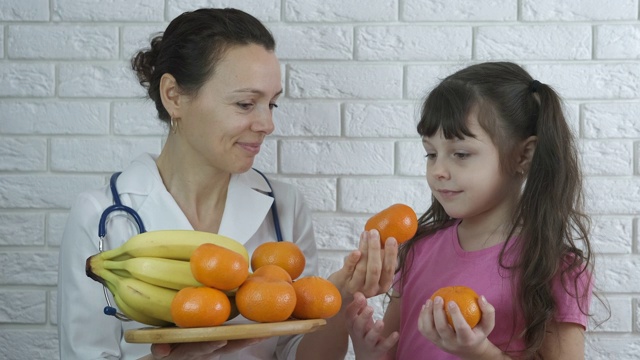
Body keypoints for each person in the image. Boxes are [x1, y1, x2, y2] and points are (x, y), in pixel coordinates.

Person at [57, 8, 398, 360]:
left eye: (272, 103)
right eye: (246, 103)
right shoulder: (101, 216)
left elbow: (300, 353)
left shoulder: (284, 206)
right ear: (173, 95)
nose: (267, 123)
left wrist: (338, 301)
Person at [345, 62, 596, 359]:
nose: (438, 170)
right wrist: (369, 352)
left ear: (524, 155)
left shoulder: (554, 268)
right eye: (431, 153)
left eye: (461, 154)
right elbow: (395, 348)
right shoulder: (417, 251)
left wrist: (480, 353)